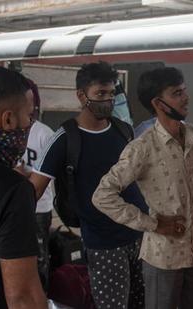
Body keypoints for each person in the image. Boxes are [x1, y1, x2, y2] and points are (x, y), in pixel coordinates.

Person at [92, 67, 193, 309]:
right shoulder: (143, 147)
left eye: (184, 91)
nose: (185, 97)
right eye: (177, 93)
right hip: (163, 259)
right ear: (158, 103)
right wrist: (153, 224)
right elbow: (102, 195)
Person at [29, 61, 147, 309]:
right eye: (100, 94)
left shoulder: (123, 130)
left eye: (112, 93)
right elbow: (35, 189)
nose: (108, 100)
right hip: (103, 243)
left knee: (142, 304)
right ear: (82, 96)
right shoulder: (64, 139)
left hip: (140, 236)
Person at [0, 66, 47, 309]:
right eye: (29, 117)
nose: (29, 125)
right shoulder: (11, 189)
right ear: (8, 120)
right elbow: (22, 297)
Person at [18, 79, 55, 292]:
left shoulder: (44, 133)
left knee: (39, 257)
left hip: (39, 207)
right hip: (13, 207)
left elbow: (49, 175)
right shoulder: (7, 131)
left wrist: (25, 174)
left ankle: (44, 296)